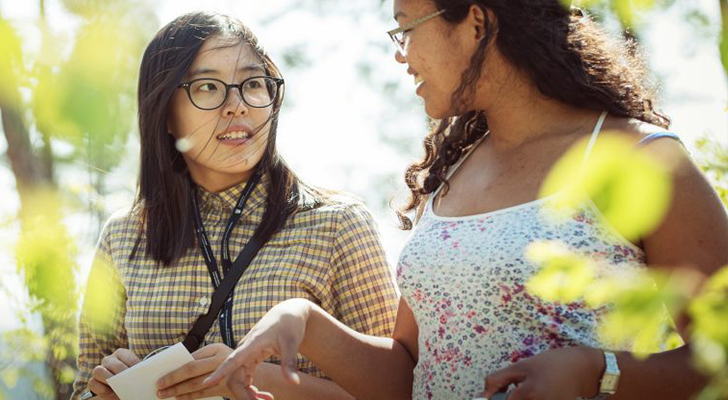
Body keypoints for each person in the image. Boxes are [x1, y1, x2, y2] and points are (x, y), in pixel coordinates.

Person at [202, 0, 728, 399]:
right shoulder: (452, 171)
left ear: (476, 22)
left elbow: (720, 358)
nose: (399, 52)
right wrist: (304, 320)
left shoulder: (638, 157)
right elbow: (408, 372)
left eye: (407, 26)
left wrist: (600, 372)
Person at [70, 11, 399, 400]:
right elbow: (81, 390)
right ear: (165, 113)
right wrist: (104, 393)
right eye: (208, 87)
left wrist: (256, 379)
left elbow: (397, 389)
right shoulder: (123, 236)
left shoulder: (337, 225)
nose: (237, 104)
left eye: (253, 84)